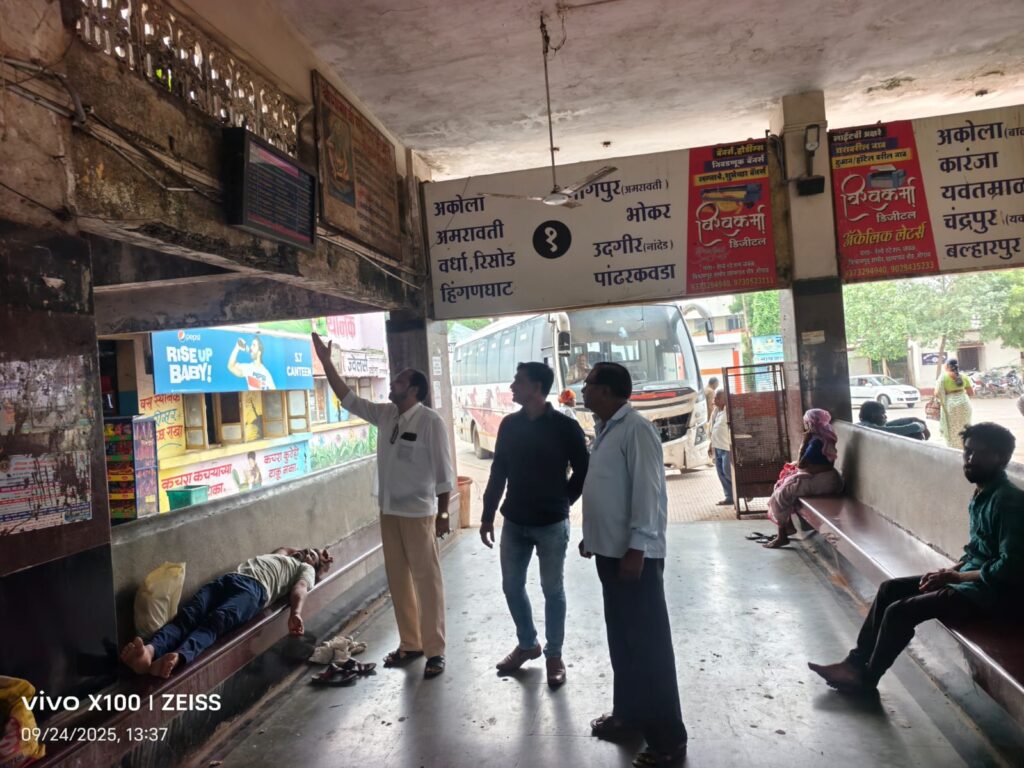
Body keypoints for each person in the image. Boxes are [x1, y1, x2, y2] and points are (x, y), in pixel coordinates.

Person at [809, 422, 1024, 694]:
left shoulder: (1009, 502)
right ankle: (853, 664)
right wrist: (949, 570)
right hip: (970, 580)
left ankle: (867, 679)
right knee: (891, 589)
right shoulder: (982, 493)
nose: (970, 460)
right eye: (967, 451)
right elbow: (977, 550)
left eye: (980, 454)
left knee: (900, 611)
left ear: (1001, 458)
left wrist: (956, 577)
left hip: (995, 594)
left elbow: (1011, 568)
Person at [312, 333, 454, 679]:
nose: (393, 384)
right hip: (389, 512)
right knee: (398, 581)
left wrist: (444, 514)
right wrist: (326, 361)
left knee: (427, 582)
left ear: (415, 390)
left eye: (399, 381)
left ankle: (435, 652)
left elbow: (444, 473)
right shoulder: (386, 414)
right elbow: (346, 398)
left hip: (420, 514)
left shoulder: (430, 421)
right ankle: (411, 644)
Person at [579, 362, 688, 767]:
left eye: (589, 384)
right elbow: (610, 491)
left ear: (607, 391)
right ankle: (628, 716)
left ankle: (668, 739)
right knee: (623, 640)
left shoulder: (636, 429)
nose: (584, 390)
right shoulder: (607, 429)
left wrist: (638, 548)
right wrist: (594, 538)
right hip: (611, 552)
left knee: (648, 646)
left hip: (633, 558)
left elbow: (648, 492)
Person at [480, 363, 589, 687]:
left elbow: (584, 471)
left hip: (551, 525)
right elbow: (498, 471)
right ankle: (528, 644)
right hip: (514, 521)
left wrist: (563, 502)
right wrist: (487, 515)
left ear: (537, 387)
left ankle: (554, 654)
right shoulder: (509, 425)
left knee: (552, 590)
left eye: (519, 381)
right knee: (511, 586)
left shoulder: (565, 428)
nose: (513, 386)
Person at [120, 546, 332, 678]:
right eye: (308, 548)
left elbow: (301, 589)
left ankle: (178, 657)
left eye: (312, 555)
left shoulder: (305, 570)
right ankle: (149, 652)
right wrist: (308, 553)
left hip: (254, 591)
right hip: (228, 579)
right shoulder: (281, 555)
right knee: (188, 616)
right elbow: (286, 548)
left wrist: (296, 612)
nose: (308, 553)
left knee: (215, 622)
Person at [764, 408, 844, 549]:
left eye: (807, 422)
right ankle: (787, 526)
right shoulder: (828, 436)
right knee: (784, 484)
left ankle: (782, 535)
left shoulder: (815, 442)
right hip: (830, 480)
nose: (806, 425)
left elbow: (802, 463)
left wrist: (803, 442)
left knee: (779, 495)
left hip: (818, 481)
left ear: (811, 422)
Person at [935, 358, 974, 450]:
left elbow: (937, 393)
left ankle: (954, 449)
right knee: (965, 427)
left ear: (948, 366)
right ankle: (966, 447)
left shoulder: (943, 377)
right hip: (965, 404)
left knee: (952, 429)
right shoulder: (964, 376)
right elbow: (971, 393)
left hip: (950, 405)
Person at [857, 401, 929, 441]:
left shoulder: (863, 424)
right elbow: (911, 428)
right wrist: (923, 426)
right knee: (915, 434)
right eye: (883, 414)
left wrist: (913, 419)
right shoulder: (873, 429)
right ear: (873, 415)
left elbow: (890, 424)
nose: (885, 417)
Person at [708, 389, 733, 506]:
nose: (714, 400)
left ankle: (742, 491)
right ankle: (729, 497)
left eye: (717, 398)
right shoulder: (716, 411)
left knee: (728, 471)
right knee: (721, 473)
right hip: (717, 447)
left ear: (724, 399)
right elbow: (712, 429)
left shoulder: (730, 411)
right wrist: (710, 444)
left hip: (726, 447)